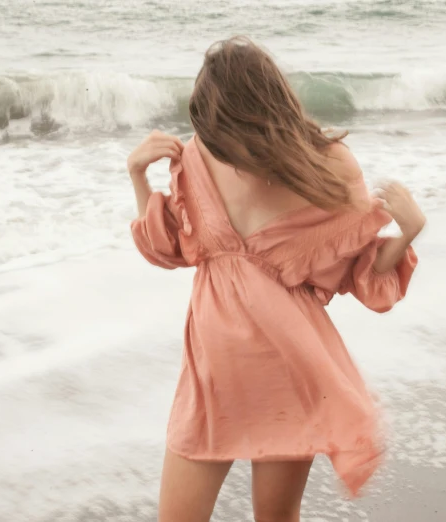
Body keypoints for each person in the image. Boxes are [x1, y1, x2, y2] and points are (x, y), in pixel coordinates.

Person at [127, 36, 426, 522]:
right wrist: (138, 175)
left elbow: (359, 271)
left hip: (289, 365)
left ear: (250, 109)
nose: (216, 137)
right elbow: (170, 249)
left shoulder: (325, 163)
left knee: (277, 516)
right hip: (212, 375)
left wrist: (408, 230)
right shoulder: (201, 154)